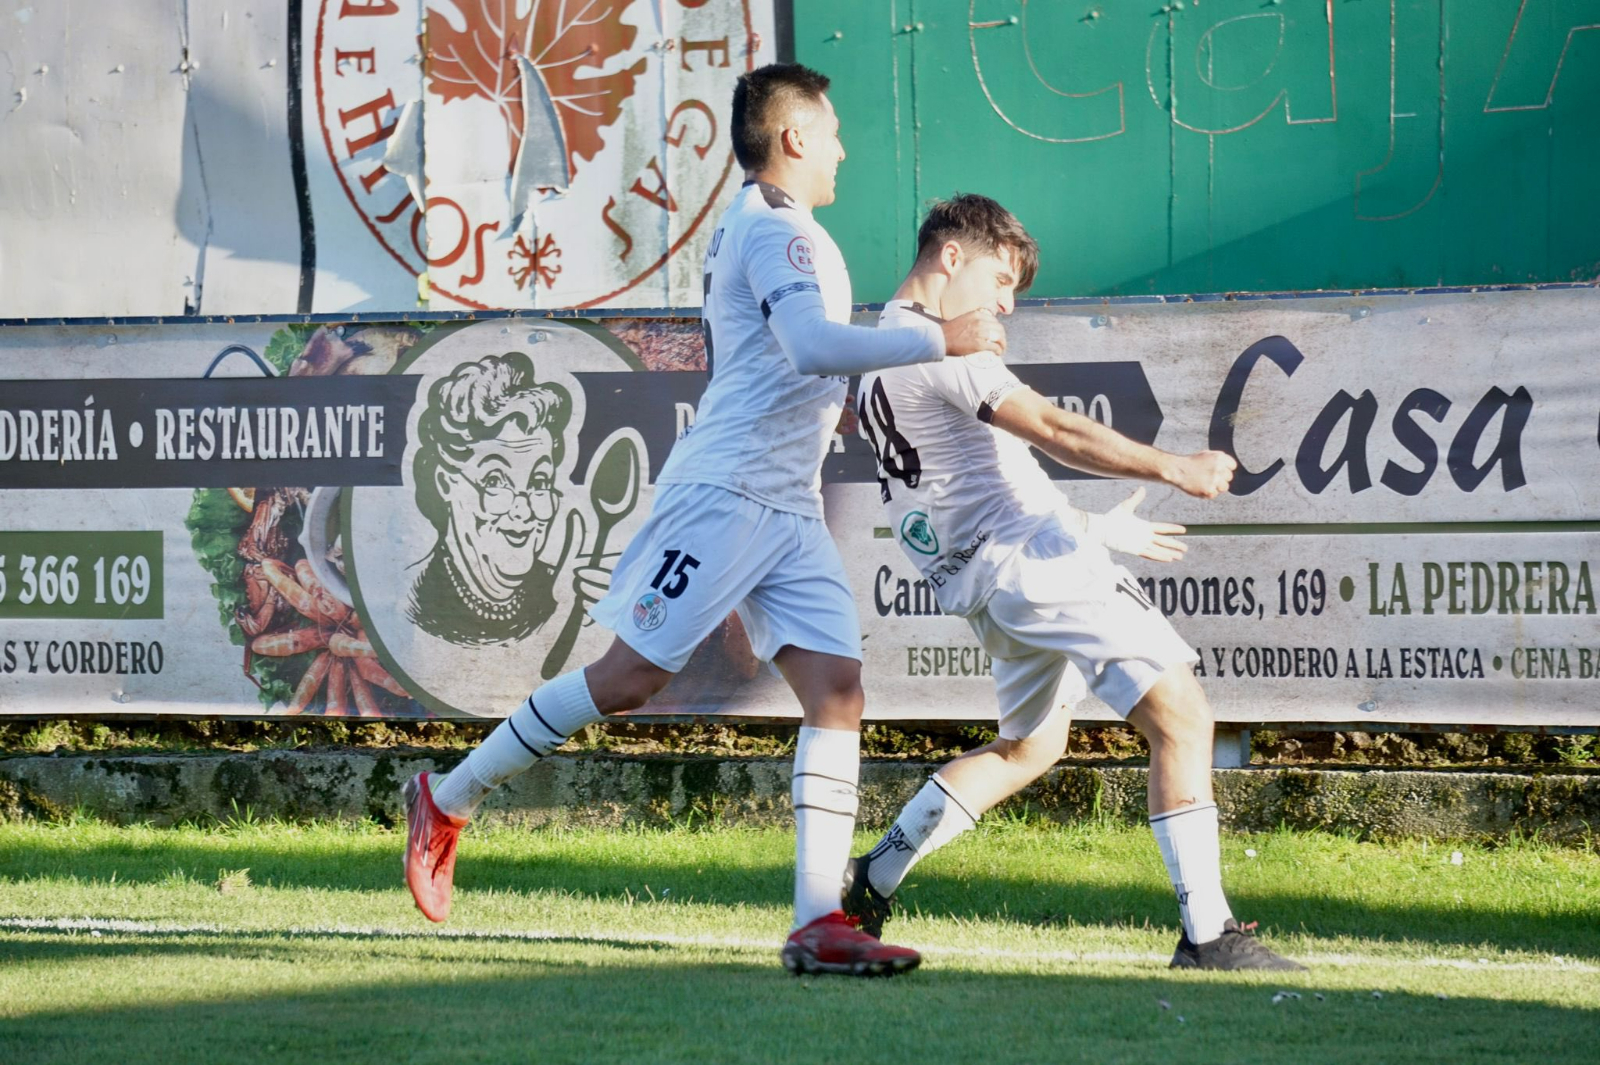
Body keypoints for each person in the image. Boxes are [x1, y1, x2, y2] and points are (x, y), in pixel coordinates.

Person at [400, 64, 1005, 977]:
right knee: (629, 677)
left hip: (785, 503)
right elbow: (810, 346)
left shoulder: (776, 230)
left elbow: (792, 365)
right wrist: (939, 337)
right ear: (794, 137)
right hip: (724, 495)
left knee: (837, 692)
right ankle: (447, 797)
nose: (844, 147)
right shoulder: (778, 233)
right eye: (833, 130)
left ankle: (817, 922)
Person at [845, 193, 1303, 971]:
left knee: (1030, 746)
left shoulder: (872, 355)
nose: (1006, 303)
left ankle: (872, 878)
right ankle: (1207, 934)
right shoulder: (939, 346)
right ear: (950, 256)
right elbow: (1055, 429)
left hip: (991, 585)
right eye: (1001, 278)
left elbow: (967, 485)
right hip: (1035, 562)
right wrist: (1176, 467)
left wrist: (1095, 528)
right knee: (1182, 713)